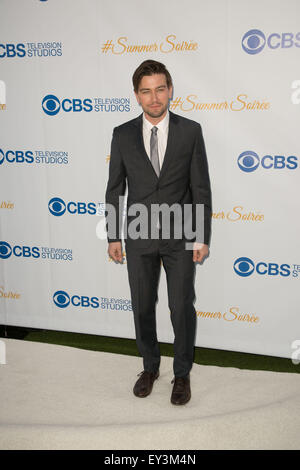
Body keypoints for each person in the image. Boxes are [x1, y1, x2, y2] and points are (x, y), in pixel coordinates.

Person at [105, 60, 212, 405]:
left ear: (170, 90)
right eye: (146, 91)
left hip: (181, 233)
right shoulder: (122, 134)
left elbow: (200, 187)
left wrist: (201, 235)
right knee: (141, 307)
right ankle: (150, 367)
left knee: (181, 306)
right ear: (136, 95)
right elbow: (114, 188)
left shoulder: (190, 130)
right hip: (138, 234)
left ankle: (182, 375)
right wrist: (113, 236)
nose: (155, 98)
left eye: (160, 89)